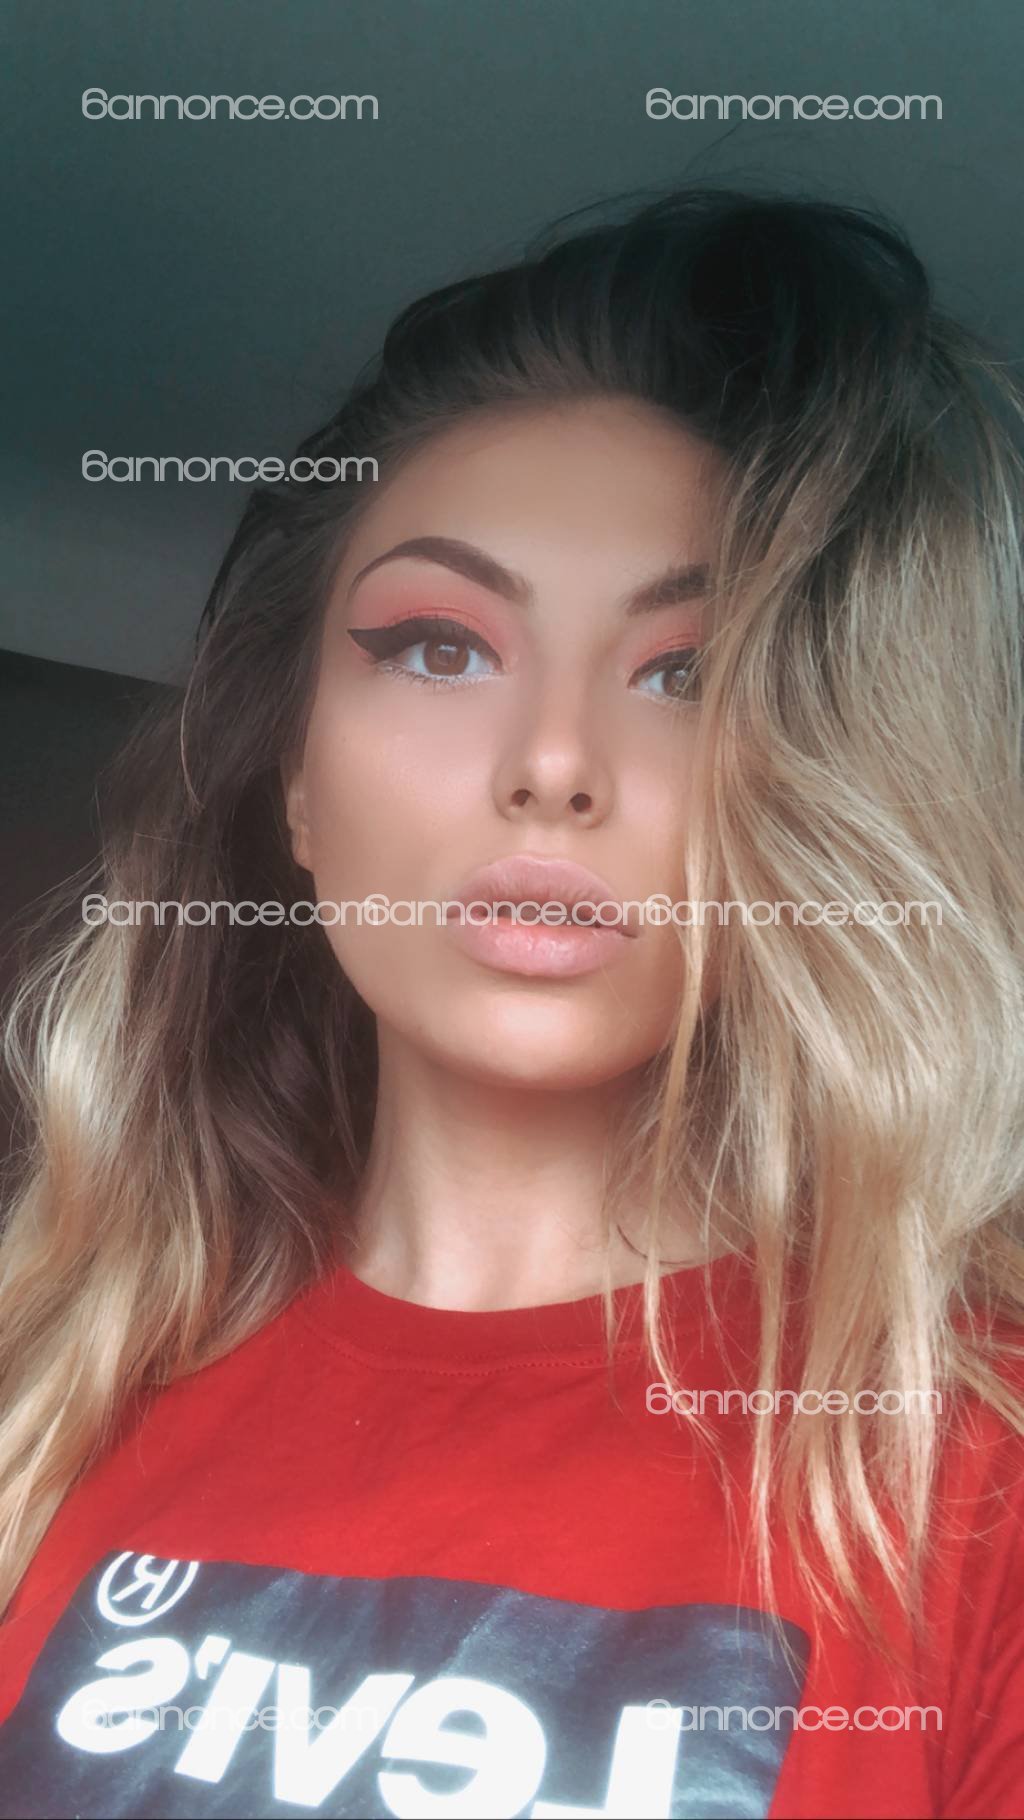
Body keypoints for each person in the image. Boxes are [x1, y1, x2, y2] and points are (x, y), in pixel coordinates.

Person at [0, 184, 1022, 1820]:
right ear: (300, 789)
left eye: (690, 673)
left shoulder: (970, 1472)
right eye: (439, 648)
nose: (553, 763)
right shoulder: (44, 1404)